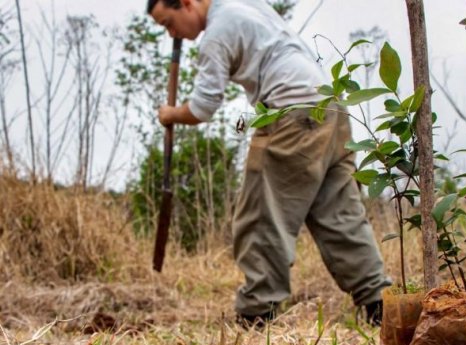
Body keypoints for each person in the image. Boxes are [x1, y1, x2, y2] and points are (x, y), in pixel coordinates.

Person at [147, 0, 391, 327]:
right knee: (339, 213)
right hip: (329, 107)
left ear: (188, 4)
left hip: (291, 112)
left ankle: (257, 311)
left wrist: (171, 114)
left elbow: (204, 106)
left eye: (168, 23)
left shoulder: (217, 33)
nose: (172, 33)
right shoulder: (243, 6)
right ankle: (380, 304)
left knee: (261, 212)